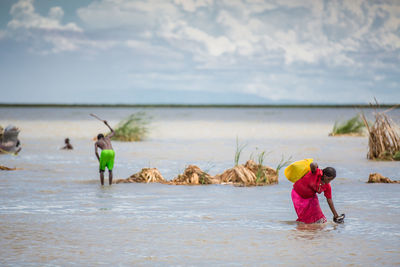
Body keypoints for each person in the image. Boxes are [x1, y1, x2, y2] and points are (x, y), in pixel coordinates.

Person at [95, 120, 115, 185]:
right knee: (110, 170)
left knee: (101, 171)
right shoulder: (108, 137)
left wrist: (99, 160)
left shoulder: (97, 142)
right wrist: (107, 124)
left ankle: (102, 185)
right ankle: (110, 184)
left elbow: (96, 152)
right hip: (112, 152)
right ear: (103, 137)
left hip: (104, 152)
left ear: (98, 138)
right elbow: (113, 132)